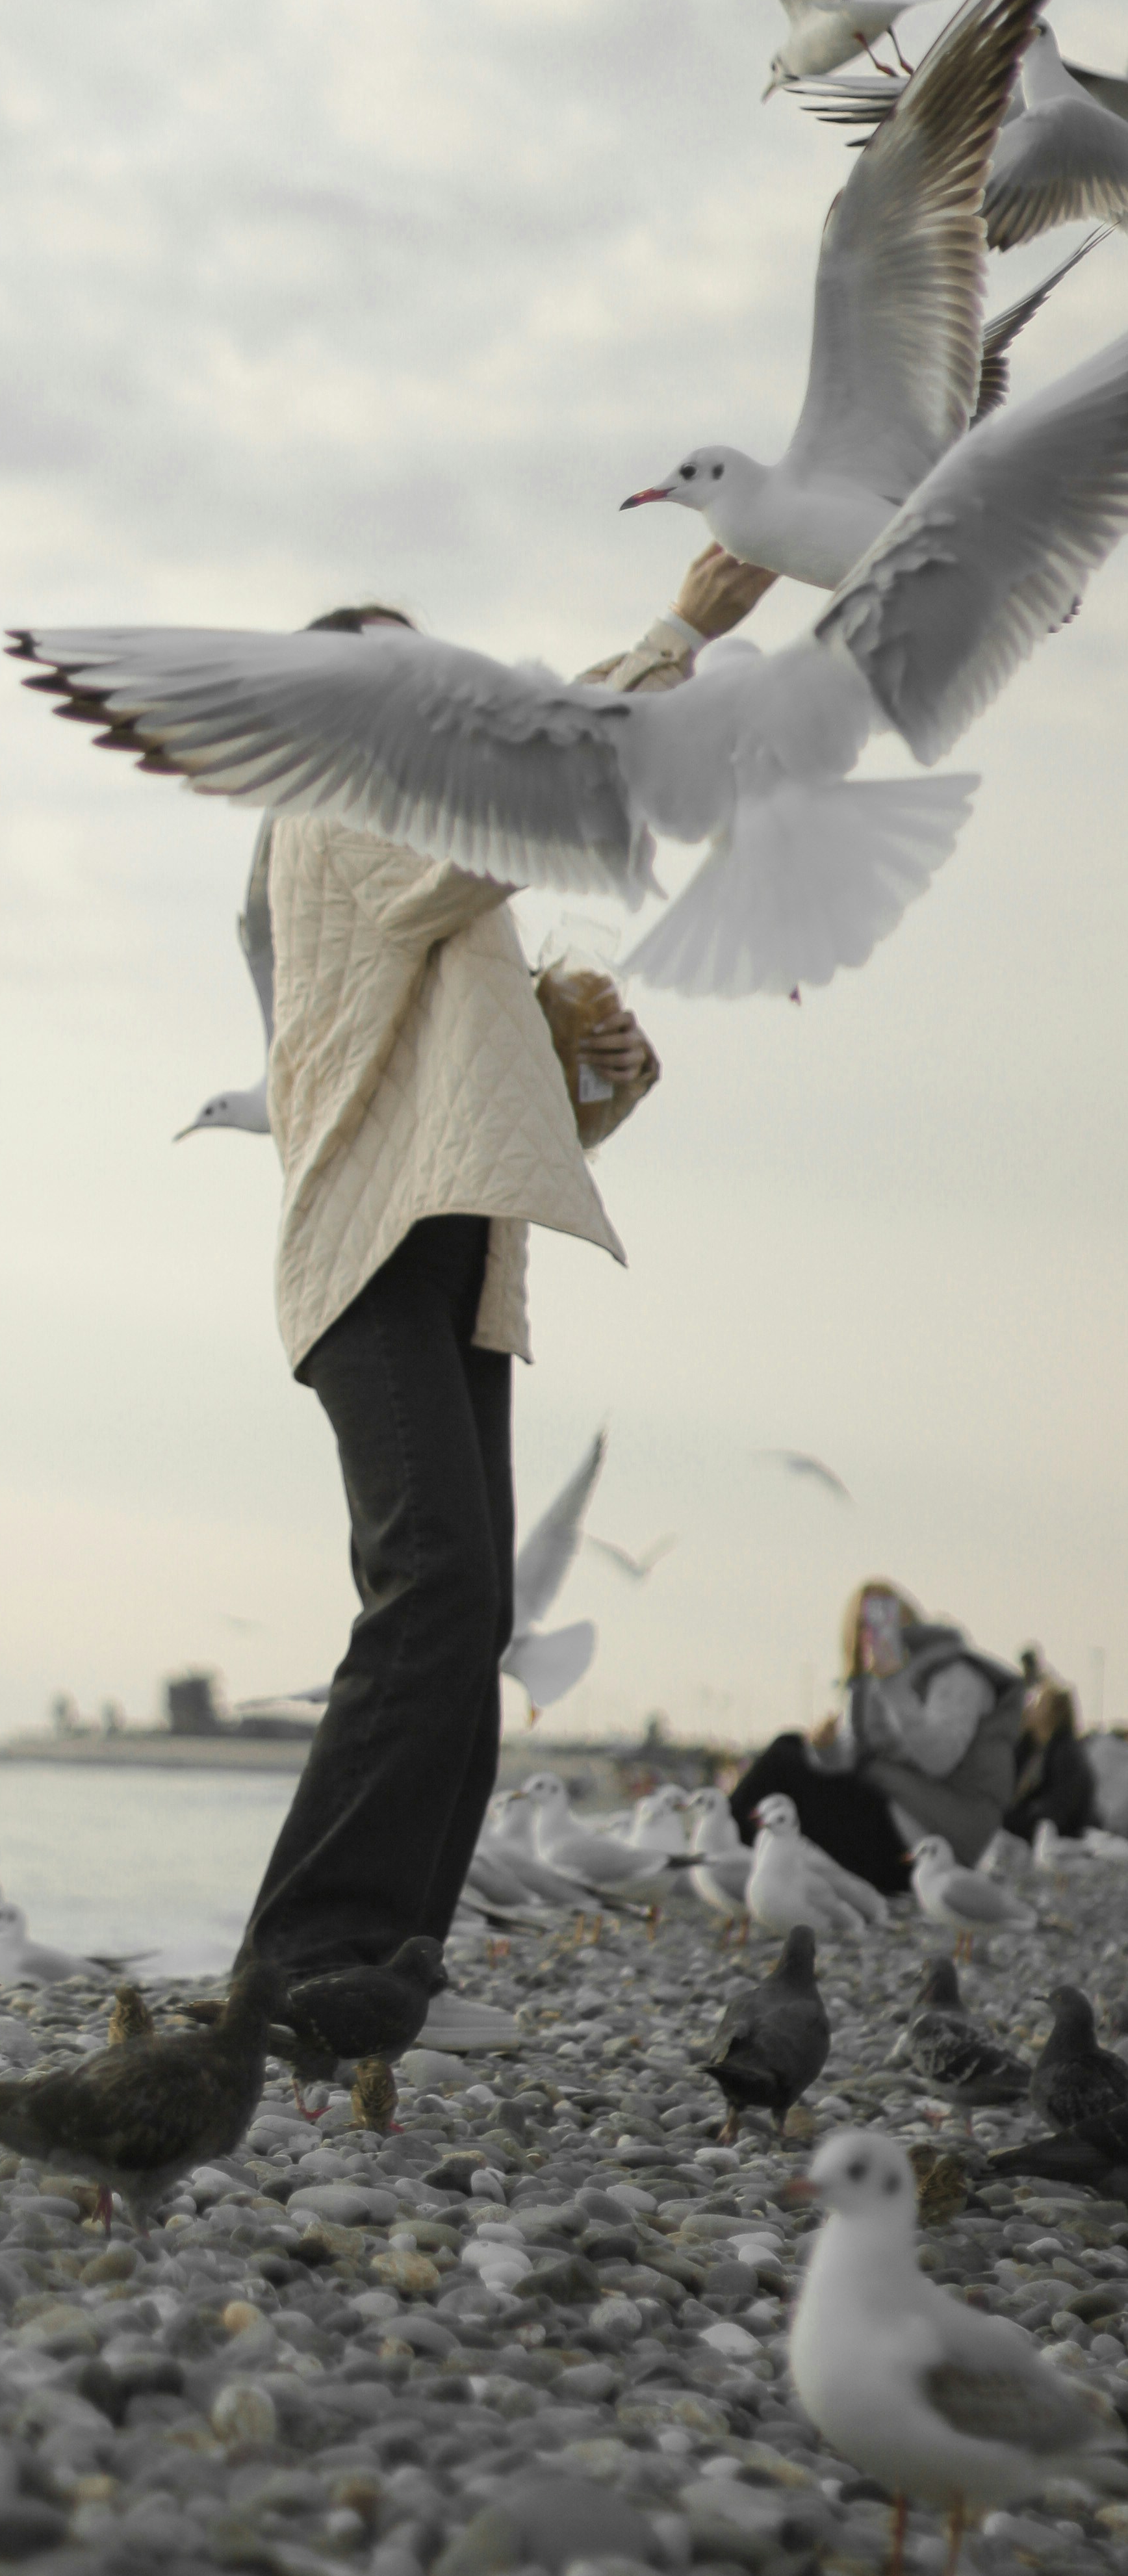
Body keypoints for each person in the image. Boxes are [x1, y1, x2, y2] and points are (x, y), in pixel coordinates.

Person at [241, 546, 771, 1976]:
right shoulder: (327, 804)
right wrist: (672, 635)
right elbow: (523, 800)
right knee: (431, 1591)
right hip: (367, 1257)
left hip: (450, 1258)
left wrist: (594, 1071)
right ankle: (308, 1961)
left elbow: (487, 1127)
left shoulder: (441, 885)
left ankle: (392, 1966)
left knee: (467, 1609)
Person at [731, 1579, 1027, 1893]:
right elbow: (852, 1761)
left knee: (783, 1761)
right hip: (897, 1825)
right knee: (792, 1746)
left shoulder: (956, 1676)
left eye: (885, 1616)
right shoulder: (875, 1684)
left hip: (931, 1849)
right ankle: (738, 1865)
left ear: (909, 1616)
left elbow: (939, 1759)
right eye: (862, 1625)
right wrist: (825, 1749)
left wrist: (893, 1680)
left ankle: (722, 1860)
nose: (873, 1631)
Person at [1005, 1678, 1097, 1844]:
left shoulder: (1067, 1756)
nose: (1031, 1707)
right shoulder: (1027, 1749)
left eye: (1039, 1703)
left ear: (1054, 1713)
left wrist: (1010, 1821)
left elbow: (1058, 1809)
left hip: (1053, 1840)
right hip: (1019, 1831)